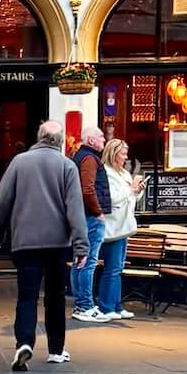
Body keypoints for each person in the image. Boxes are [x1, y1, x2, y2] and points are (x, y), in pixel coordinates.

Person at [0, 118, 87, 371]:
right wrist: (81, 246)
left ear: (38, 136)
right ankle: (56, 349)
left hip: (25, 242)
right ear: (61, 140)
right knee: (55, 296)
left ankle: (24, 342)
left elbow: (2, 202)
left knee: (27, 295)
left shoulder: (19, 163)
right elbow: (75, 209)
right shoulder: (67, 166)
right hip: (58, 244)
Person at [93, 138, 144, 322]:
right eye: (123, 153)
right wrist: (131, 189)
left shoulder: (123, 173)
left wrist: (137, 191)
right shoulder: (105, 173)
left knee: (118, 268)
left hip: (124, 225)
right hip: (113, 226)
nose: (126, 157)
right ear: (113, 154)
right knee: (112, 268)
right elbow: (112, 199)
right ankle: (106, 306)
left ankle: (115, 305)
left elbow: (129, 200)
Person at [70, 126, 112, 322]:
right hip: (90, 218)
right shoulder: (89, 159)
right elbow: (87, 189)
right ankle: (84, 305)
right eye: (100, 136)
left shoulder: (81, 156)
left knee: (79, 261)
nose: (104, 139)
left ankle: (81, 304)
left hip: (81, 216)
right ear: (91, 140)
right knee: (88, 261)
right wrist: (99, 212)